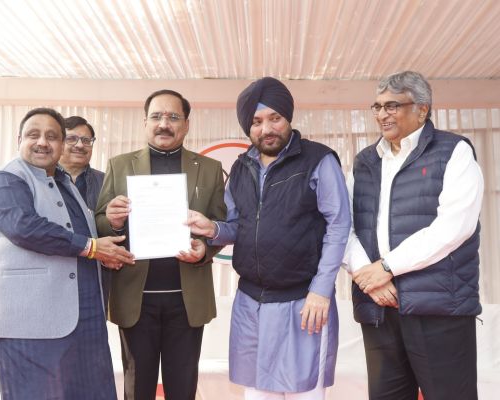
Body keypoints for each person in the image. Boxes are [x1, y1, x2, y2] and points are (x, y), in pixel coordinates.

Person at [187, 77, 351, 400]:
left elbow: (339, 225)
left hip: (304, 302)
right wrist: (212, 229)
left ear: (288, 117)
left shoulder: (319, 160)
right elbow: (237, 225)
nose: (266, 129)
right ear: (248, 127)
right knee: (257, 394)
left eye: (275, 118)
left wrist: (320, 291)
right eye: (257, 121)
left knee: (306, 392)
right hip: (251, 304)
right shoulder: (241, 167)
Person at [0, 107, 134, 400]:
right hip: (25, 329)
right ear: (19, 139)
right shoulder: (5, 180)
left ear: (60, 145)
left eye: (52, 136)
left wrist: (105, 255)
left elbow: (82, 242)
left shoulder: (65, 184)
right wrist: (93, 248)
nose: (42, 142)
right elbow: (24, 227)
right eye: (33, 135)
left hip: (82, 324)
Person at [345, 71, 484, 400]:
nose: (382, 114)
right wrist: (368, 278)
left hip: (439, 308)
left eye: (392, 106)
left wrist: (387, 267)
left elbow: (455, 226)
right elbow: (343, 226)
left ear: (422, 109)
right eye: (377, 107)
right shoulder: (365, 162)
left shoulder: (454, 151)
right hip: (379, 308)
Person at [95, 89, 227, 400]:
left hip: (187, 299)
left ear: (186, 124)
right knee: (137, 388)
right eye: (156, 116)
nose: (164, 124)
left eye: (173, 117)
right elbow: (100, 222)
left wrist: (205, 250)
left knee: (182, 388)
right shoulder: (119, 165)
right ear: (145, 122)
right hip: (135, 298)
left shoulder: (209, 168)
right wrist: (113, 222)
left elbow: (220, 224)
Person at [60, 115, 110, 308]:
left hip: (95, 276)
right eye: (72, 139)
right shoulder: (43, 181)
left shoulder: (107, 182)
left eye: (86, 140)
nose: (80, 145)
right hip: (55, 273)